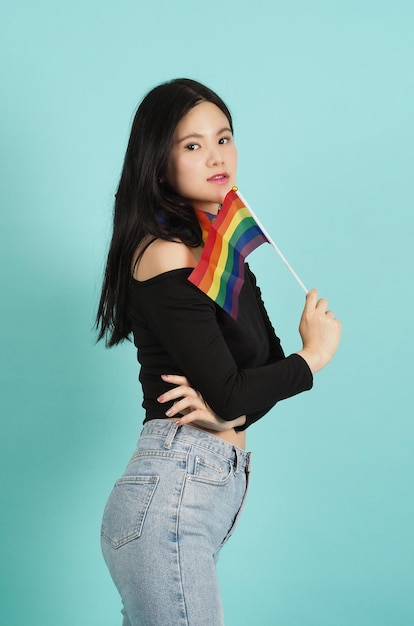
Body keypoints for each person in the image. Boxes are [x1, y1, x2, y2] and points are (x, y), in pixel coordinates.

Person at [96, 78, 341, 626]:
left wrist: (225, 408)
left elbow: (258, 375)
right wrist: (315, 357)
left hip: (198, 489)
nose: (216, 156)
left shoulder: (220, 248)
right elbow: (247, 389)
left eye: (224, 138)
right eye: (192, 145)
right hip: (172, 494)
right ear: (159, 163)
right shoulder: (165, 254)